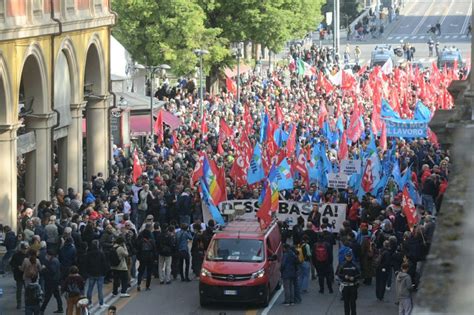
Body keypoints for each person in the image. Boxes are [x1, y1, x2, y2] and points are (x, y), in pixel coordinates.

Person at [85, 240, 109, 308]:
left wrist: (88, 272)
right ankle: (101, 303)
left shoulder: (88, 253)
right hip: (100, 273)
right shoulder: (101, 253)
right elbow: (104, 264)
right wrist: (105, 272)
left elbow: (86, 264)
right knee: (100, 289)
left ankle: (89, 302)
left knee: (90, 289)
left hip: (91, 273)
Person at [337, 250, 360, 315]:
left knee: (353, 303)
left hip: (353, 286)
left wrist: (354, 277)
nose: (349, 257)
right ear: (345, 256)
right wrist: (344, 276)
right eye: (347, 256)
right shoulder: (342, 265)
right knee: (346, 303)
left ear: (352, 256)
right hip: (345, 287)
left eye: (350, 256)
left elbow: (359, 274)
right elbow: (338, 274)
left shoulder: (355, 265)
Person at [11, 242, 29, 309]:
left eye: (26, 249)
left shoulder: (28, 255)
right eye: (24, 249)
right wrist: (17, 266)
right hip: (19, 275)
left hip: (26, 275)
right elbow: (12, 263)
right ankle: (19, 303)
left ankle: (27, 303)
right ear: (21, 249)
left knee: (27, 290)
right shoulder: (16, 255)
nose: (25, 250)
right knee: (19, 290)